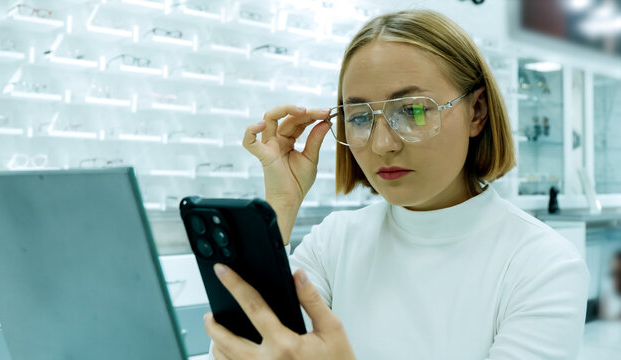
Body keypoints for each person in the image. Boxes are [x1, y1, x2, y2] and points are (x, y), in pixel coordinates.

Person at [203, 9, 589, 359]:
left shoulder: (544, 266)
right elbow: (243, 353)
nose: (383, 144)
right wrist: (278, 211)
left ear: (477, 112)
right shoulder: (335, 242)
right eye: (359, 117)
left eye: (414, 110)